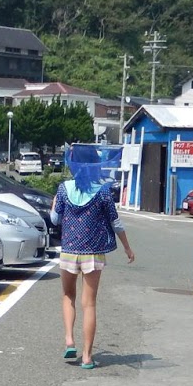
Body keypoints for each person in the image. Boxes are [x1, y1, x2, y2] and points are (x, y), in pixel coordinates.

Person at [52, 153, 135, 369]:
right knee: (89, 304)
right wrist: (127, 247)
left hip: (69, 251)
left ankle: (69, 340)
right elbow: (116, 222)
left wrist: (54, 204)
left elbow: (55, 219)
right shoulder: (103, 191)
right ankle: (87, 357)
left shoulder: (64, 189)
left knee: (68, 295)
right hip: (94, 253)